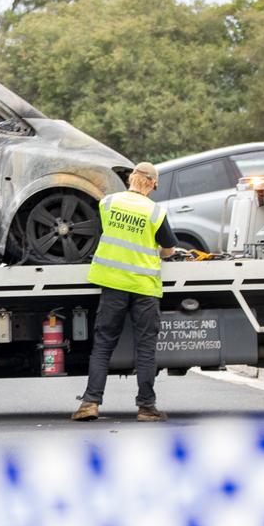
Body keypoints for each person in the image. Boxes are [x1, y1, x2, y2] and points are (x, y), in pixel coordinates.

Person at [71, 161, 177, 422]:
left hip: (113, 283)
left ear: (131, 179)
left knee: (104, 345)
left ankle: (90, 403)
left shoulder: (108, 203)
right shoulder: (155, 212)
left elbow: (106, 232)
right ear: (152, 184)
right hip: (143, 286)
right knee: (145, 348)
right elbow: (169, 250)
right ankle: (146, 407)